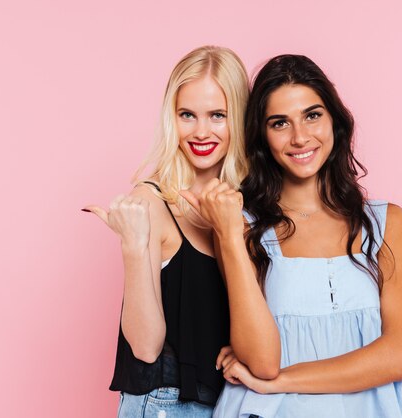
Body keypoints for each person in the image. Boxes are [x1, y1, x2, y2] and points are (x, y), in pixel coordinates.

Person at [181, 55, 402, 418]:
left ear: (334, 120)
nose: (300, 137)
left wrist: (282, 381)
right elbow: (259, 361)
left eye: (312, 115)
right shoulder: (242, 226)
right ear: (262, 136)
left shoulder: (387, 223)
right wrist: (229, 236)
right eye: (280, 123)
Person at [84, 46, 249, 417]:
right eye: (187, 115)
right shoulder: (150, 202)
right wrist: (133, 246)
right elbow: (145, 347)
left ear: (238, 117)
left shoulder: (247, 205)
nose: (201, 131)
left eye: (218, 115)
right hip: (168, 406)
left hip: (234, 402)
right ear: (170, 118)